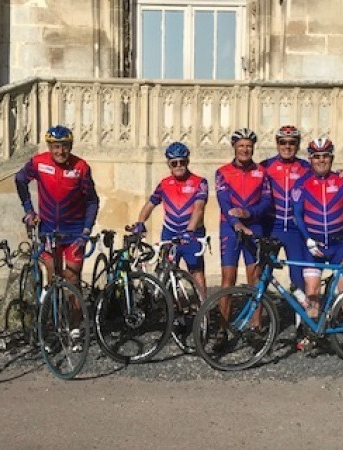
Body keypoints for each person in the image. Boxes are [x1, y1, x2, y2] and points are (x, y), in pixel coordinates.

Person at [292, 138, 343, 348]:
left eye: (325, 156)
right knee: (312, 291)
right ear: (310, 159)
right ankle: (313, 334)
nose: (321, 160)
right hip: (313, 247)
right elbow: (297, 215)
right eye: (317, 157)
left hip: (338, 245)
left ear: (331, 158)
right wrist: (307, 240)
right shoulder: (301, 184)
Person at [15, 125, 99, 288]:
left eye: (65, 146)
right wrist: (29, 210)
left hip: (74, 232)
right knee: (53, 275)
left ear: (71, 146)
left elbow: (92, 201)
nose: (60, 151)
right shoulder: (38, 163)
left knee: (72, 278)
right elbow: (20, 179)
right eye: (56, 147)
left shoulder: (80, 167)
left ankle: (74, 305)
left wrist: (86, 230)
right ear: (49, 147)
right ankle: (52, 304)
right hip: (48, 230)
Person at [215, 128, 271, 346]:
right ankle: (222, 329)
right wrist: (236, 223)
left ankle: (256, 327)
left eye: (249, 146)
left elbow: (267, 202)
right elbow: (224, 202)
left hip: (254, 226)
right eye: (241, 146)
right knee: (227, 280)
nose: (245, 150)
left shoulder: (262, 172)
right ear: (234, 147)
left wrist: (249, 214)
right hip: (230, 229)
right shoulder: (223, 172)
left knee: (254, 279)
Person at [130, 142, 208, 296]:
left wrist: (190, 231)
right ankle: (169, 306)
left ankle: (203, 307)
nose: (179, 166)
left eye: (182, 162)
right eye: (174, 163)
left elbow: (199, 208)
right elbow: (150, 204)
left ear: (187, 161)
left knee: (196, 271)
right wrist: (140, 222)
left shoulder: (200, 182)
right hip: (170, 233)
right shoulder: (164, 184)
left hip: (192, 234)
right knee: (165, 272)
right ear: (168, 164)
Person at [260, 126, 310, 295]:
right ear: (277, 143)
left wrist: (342, 173)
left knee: (298, 276)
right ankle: (258, 312)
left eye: (292, 143)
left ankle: (300, 312)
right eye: (283, 142)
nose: (287, 146)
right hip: (272, 227)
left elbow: (325, 176)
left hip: (295, 229)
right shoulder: (265, 166)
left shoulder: (306, 168)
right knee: (263, 274)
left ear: (298, 144)